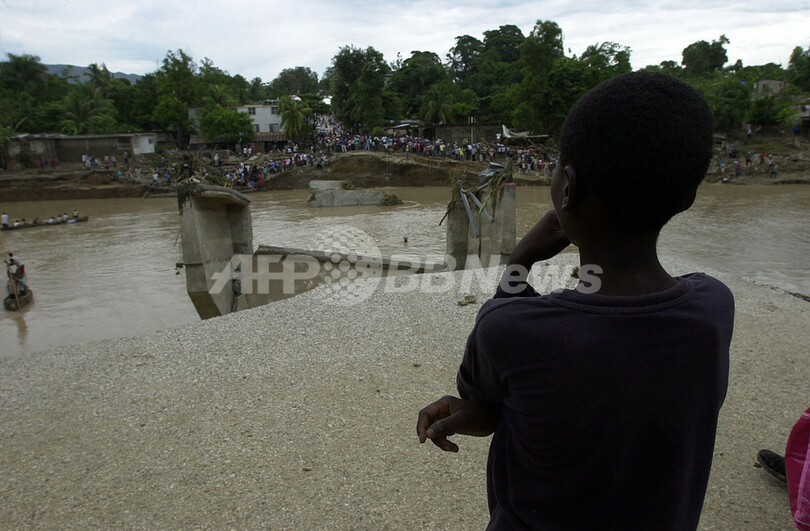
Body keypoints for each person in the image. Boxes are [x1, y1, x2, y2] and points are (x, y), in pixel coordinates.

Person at [417, 72, 734, 530]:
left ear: (567, 186)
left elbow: (484, 402)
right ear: (686, 197)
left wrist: (519, 263)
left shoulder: (511, 328)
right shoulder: (712, 308)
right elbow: (610, 327)